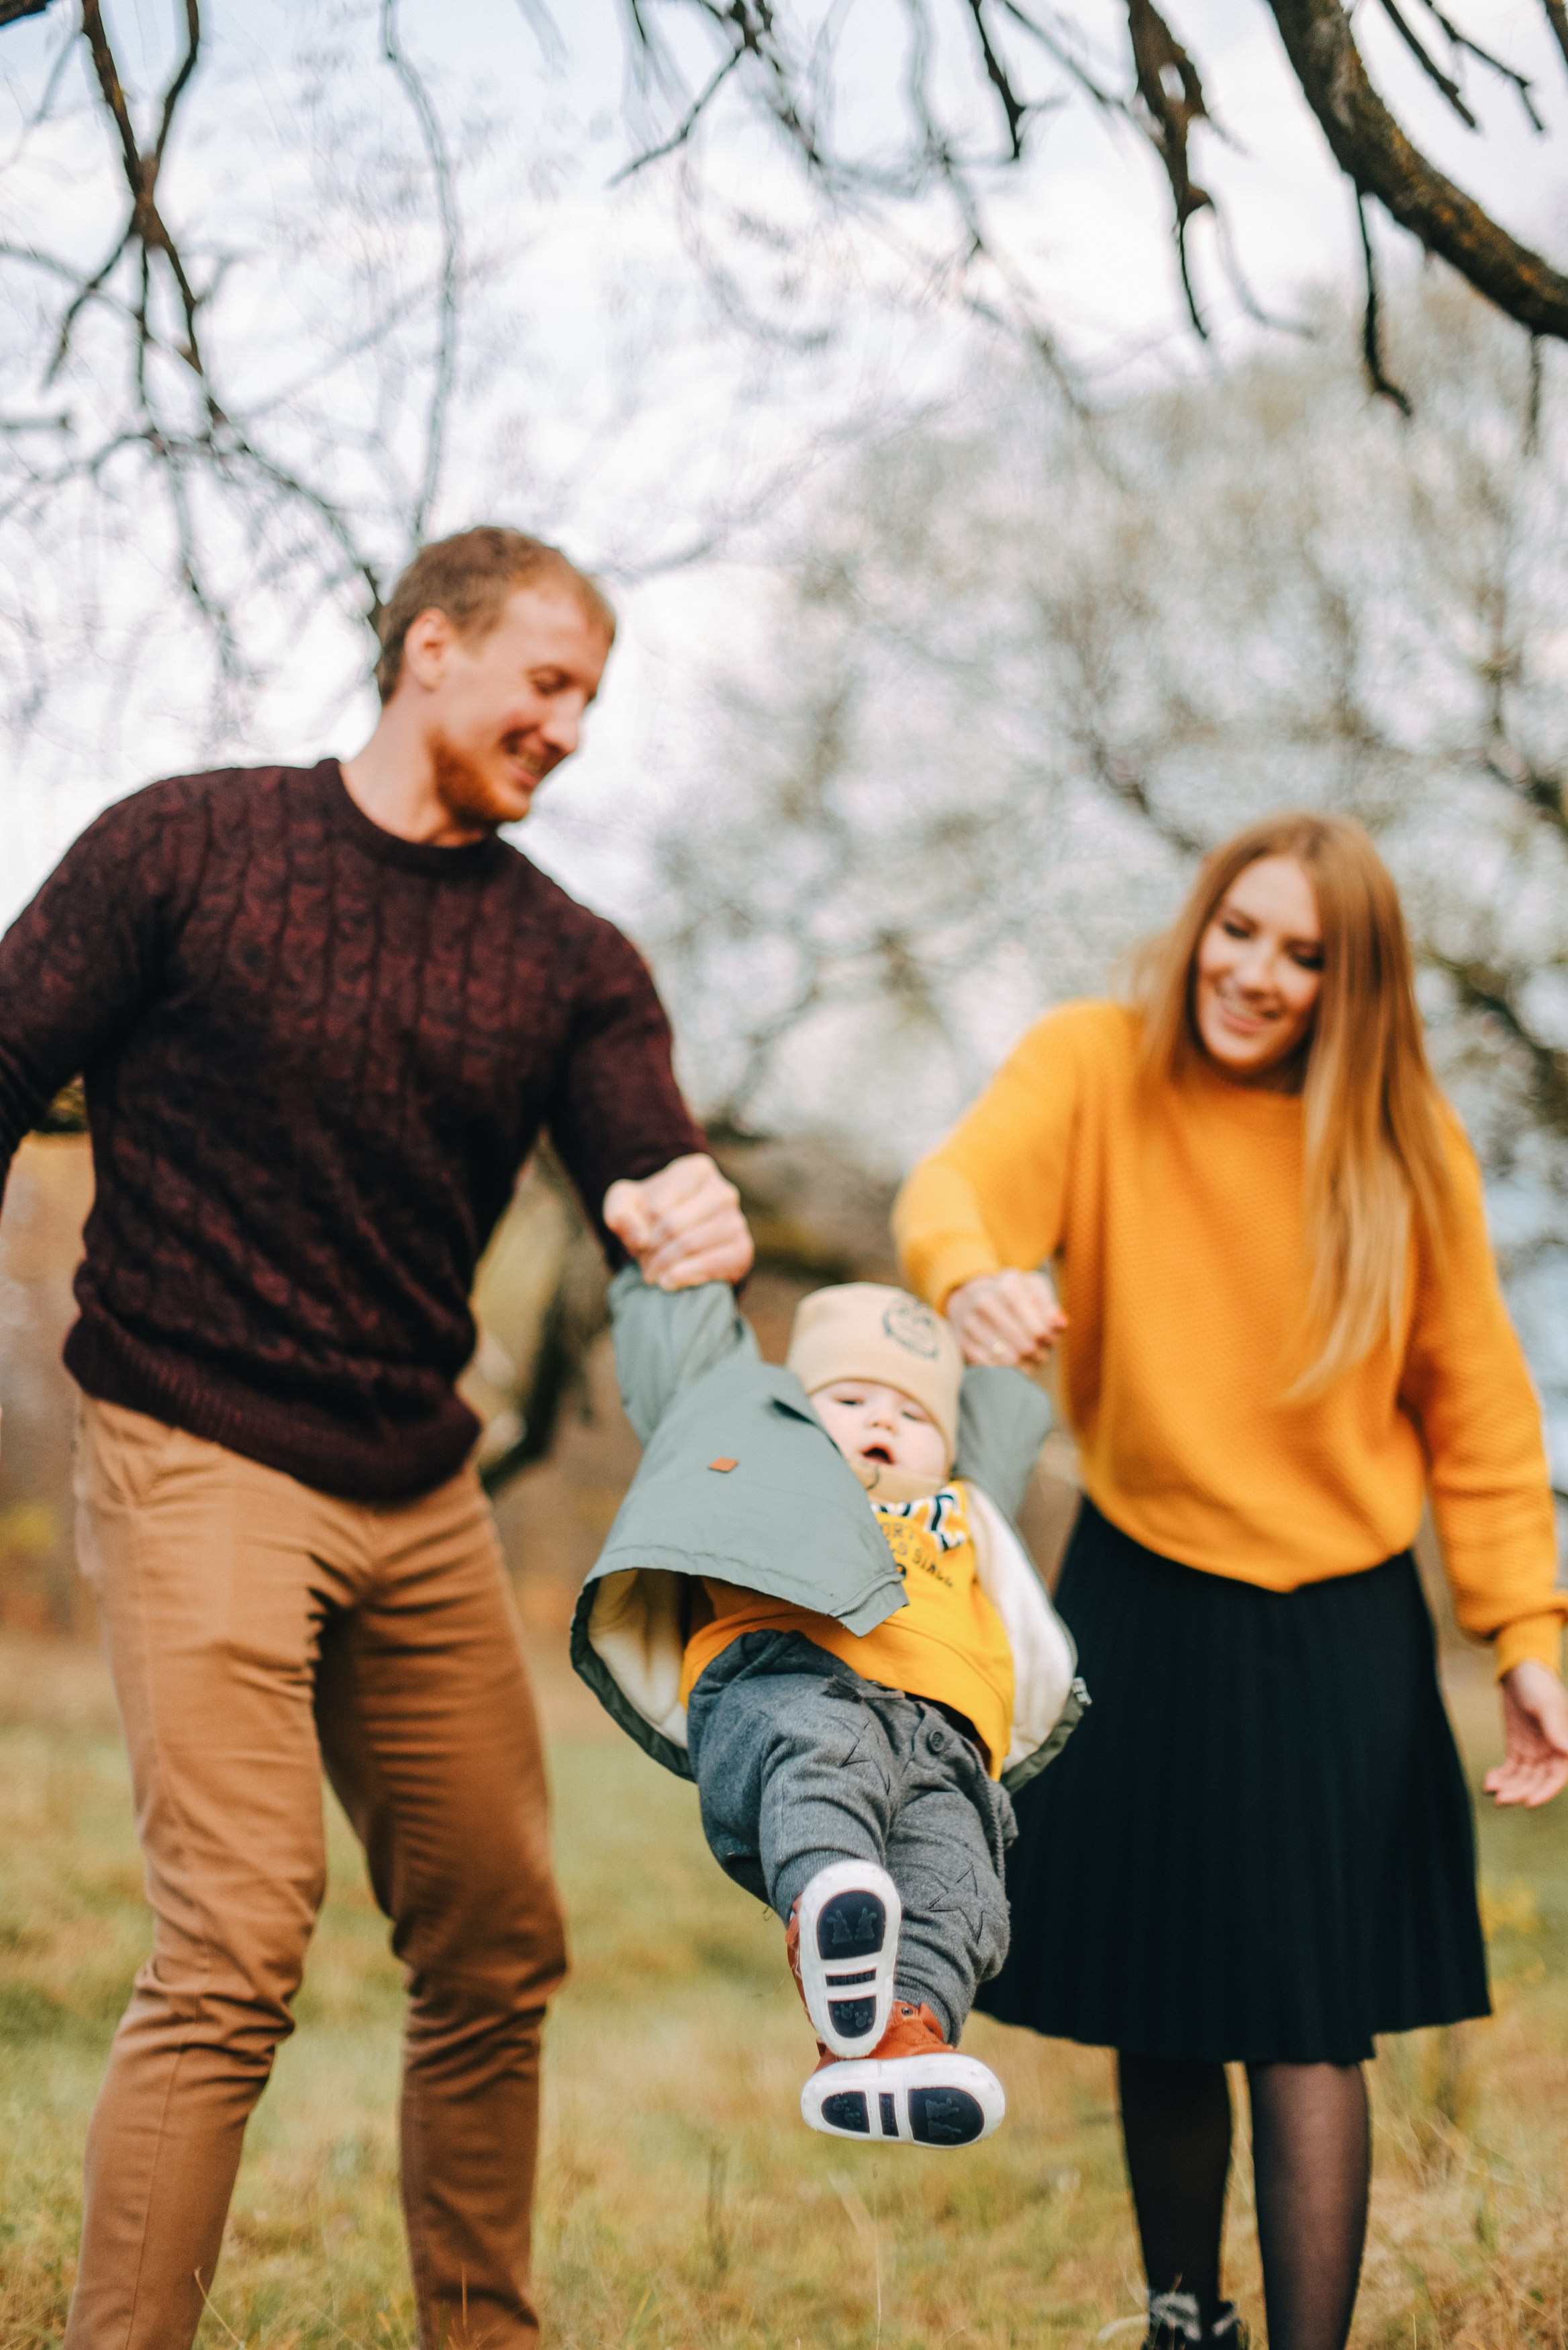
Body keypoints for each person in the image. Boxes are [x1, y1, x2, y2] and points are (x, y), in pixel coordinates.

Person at [0, 526, 753, 2350]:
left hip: (415, 1483)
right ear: (433, 647)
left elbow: (646, 1148)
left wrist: (685, 1210)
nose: (569, 728)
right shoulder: (185, 847)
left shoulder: (569, 958)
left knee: (500, 1935)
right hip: (194, 1437)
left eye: (592, 701)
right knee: (242, 1936)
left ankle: (482, 2332)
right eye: (547, 681)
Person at [893, 813, 1568, 2350]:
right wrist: (972, 1272)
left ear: (1352, 985)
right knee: (1162, 1979)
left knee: (1300, 2011)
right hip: (1138, 1581)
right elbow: (959, 1184)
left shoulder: (1402, 1147)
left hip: (1335, 1617)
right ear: (1199, 922)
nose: (1255, 972)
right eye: (1238, 929)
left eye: (1302, 954)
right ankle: (1181, 2319)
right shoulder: (1093, 1065)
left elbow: (1478, 1406)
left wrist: (1522, 1628)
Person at [569, 1270, 1085, 2146]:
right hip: (797, 1680)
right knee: (829, 1753)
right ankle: (830, 1904)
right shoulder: (769, 1459)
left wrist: (999, 1348)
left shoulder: (963, 1504)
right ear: (794, 1410)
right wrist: (671, 1274)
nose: (884, 1422)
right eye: (851, 1398)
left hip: (947, 1746)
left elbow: (992, 1419)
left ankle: (892, 2051)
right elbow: (692, 1382)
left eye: (914, 1414)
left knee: (964, 1889)